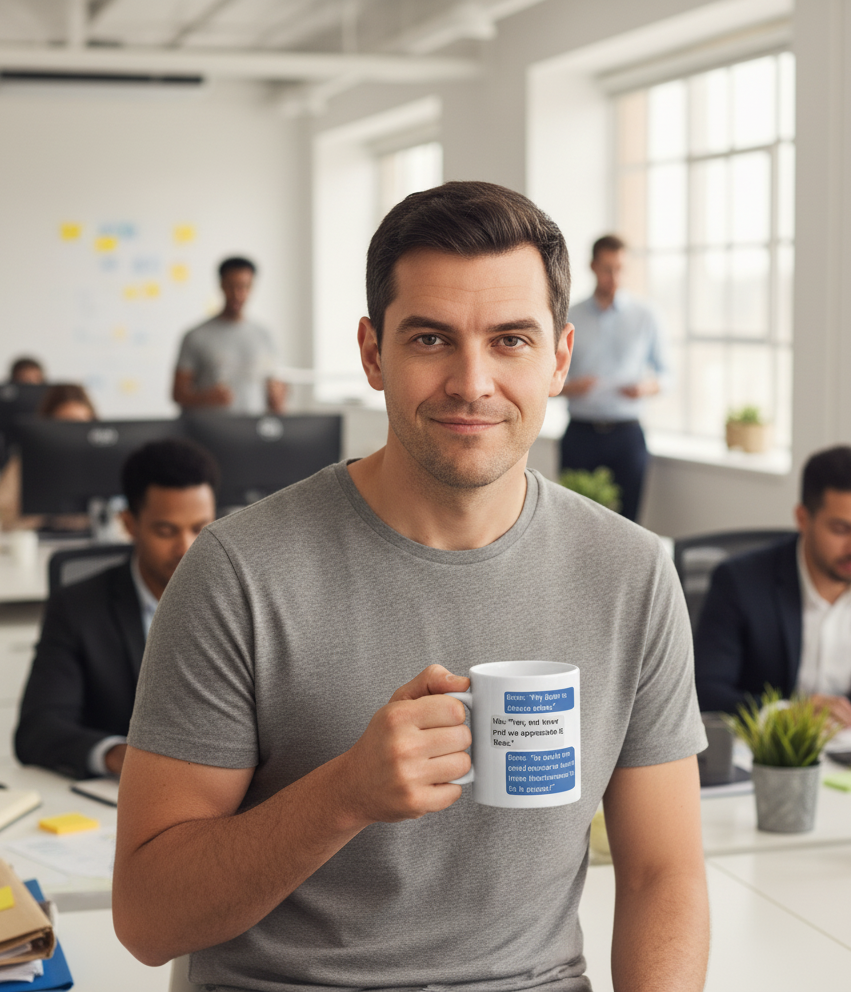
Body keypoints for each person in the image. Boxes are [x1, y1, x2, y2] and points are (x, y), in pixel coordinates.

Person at [113, 182, 709, 992]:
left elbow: (660, 875)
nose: (472, 381)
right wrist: (343, 796)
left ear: (561, 357)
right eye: (431, 338)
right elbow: (149, 920)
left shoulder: (633, 573)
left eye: (510, 340)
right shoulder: (235, 571)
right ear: (372, 353)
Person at [15, 438, 219, 780]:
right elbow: (38, 729)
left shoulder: (244, 604)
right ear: (129, 524)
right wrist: (117, 755)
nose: (186, 547)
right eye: (166, 531)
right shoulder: (77, 607)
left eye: (200, 528)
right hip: (122, 803)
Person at [694, 445, 851, 728]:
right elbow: (705, 691)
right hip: (770, 755)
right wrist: (786, 714)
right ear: (803, 519)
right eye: (841, 529)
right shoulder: (738, 581)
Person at [559, 234, 669, 522]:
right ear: (593, 266)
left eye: (620, 268)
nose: (614, 276)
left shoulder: (646, 316)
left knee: (629, 523)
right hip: (580, 434)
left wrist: (645, 388)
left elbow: (666, 374)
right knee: (573, 520)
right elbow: (547, 376)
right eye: (607, 268)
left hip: (627, 434)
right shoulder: (571, 316)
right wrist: (571, 387)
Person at [172, 256, 287, 415]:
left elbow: (276, 392)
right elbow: (177, 394)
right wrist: (206, 398)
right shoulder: (195, 336)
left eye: (244, 287)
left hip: (254, 432)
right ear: (221, 285)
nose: (238, 294)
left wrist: (279, 400)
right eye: (231, 286)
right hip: (209, 432)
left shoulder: (265, 335)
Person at [0, 383, 97, 531]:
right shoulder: (27, 460)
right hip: (40, 543)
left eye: (80, 424)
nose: (73, 434)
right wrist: (39, 515)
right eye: (65, 425)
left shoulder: (105, 460)